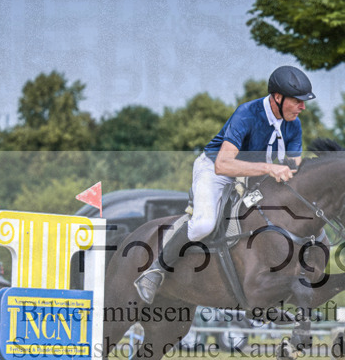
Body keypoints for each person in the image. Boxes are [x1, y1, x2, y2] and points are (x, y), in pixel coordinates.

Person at [135, 65, 315, 303]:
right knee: (203, 225)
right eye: (297, 101)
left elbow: (292, 167)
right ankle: (155, 271)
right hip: (215, 169)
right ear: (278, 98)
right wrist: (269, 168)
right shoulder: (248, 114)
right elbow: (223, 164)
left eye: (304, 102)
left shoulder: (294, 124)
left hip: (254, 176)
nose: (303, 107)